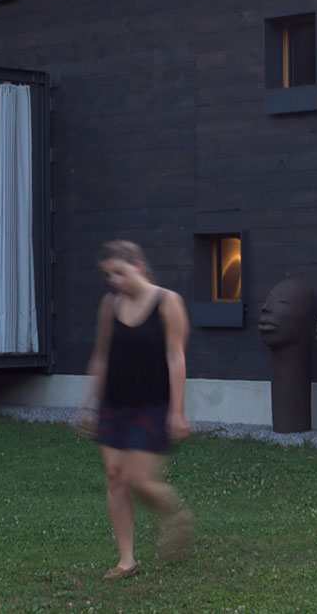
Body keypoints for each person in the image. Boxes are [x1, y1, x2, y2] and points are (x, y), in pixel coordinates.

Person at [76, 240, 194, 580]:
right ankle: (126, 559)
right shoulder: (109, 305)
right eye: (108, 275)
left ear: (138, 267)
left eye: (119, 272)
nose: (114, 280)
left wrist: (178, 410)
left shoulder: (167, 302)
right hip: (115, 402)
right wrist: (89, 402)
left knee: (139, 480)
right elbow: (101, 354)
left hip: (152, 403)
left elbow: (176, 356)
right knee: (115, 478)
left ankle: (174, 514)